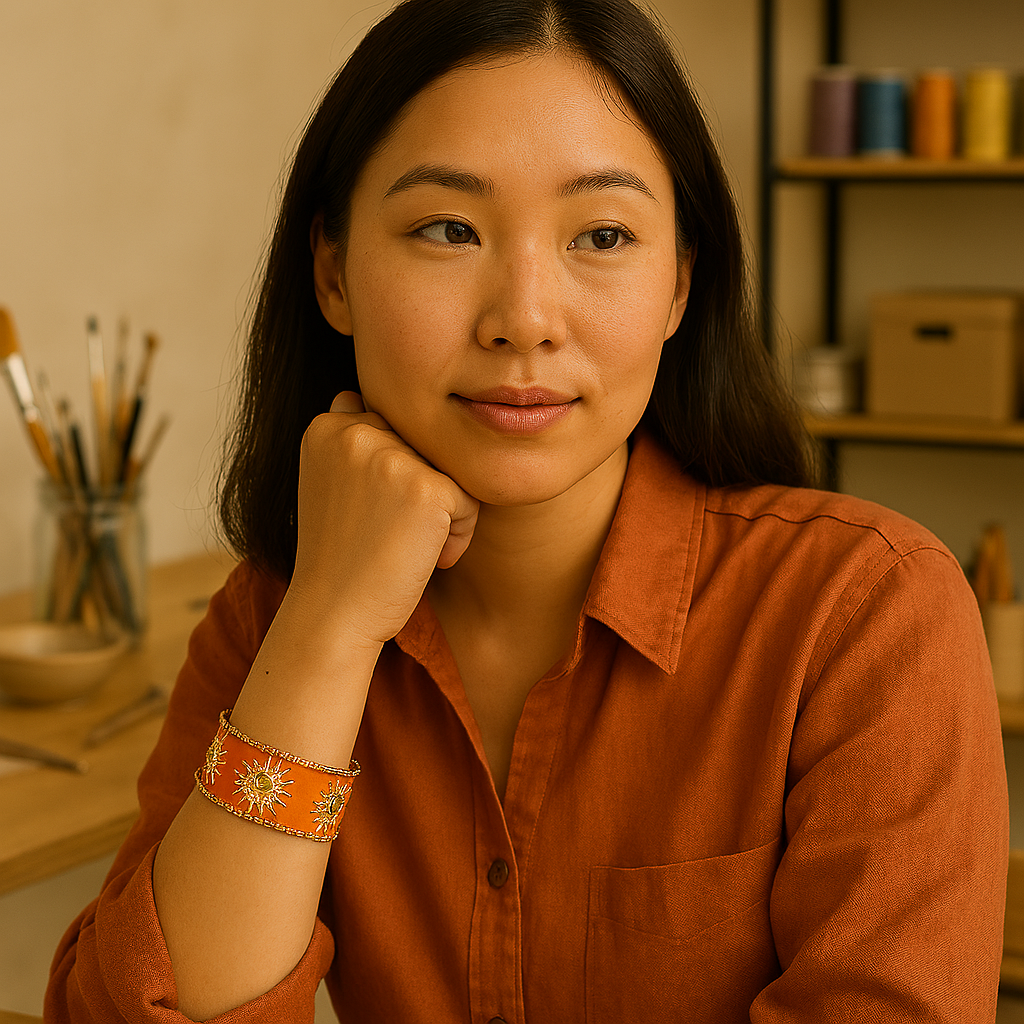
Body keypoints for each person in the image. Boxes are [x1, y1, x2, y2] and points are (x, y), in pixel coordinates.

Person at [45, 0, 1007, 1021]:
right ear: (333, 273)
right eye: (447, 228)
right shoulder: (273, 621)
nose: (526, 320)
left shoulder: (864, 615)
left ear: (680, 283)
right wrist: (328, 624)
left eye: (601, 233)